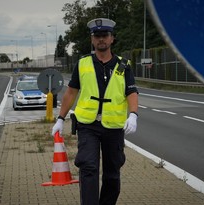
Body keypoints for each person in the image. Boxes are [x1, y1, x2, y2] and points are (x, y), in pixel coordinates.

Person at [51, 18, 139, 205]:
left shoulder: (124, 65)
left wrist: (133, 115)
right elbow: (71, 92)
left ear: (112, 38)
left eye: (105, 36)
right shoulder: (82, 64)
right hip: (87, 125)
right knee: (88, 167)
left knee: (112, 174)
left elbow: (131, 92)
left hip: (113, 127)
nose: (101, 39)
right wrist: (60, 118)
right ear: (92, 39)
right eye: (97, 36)